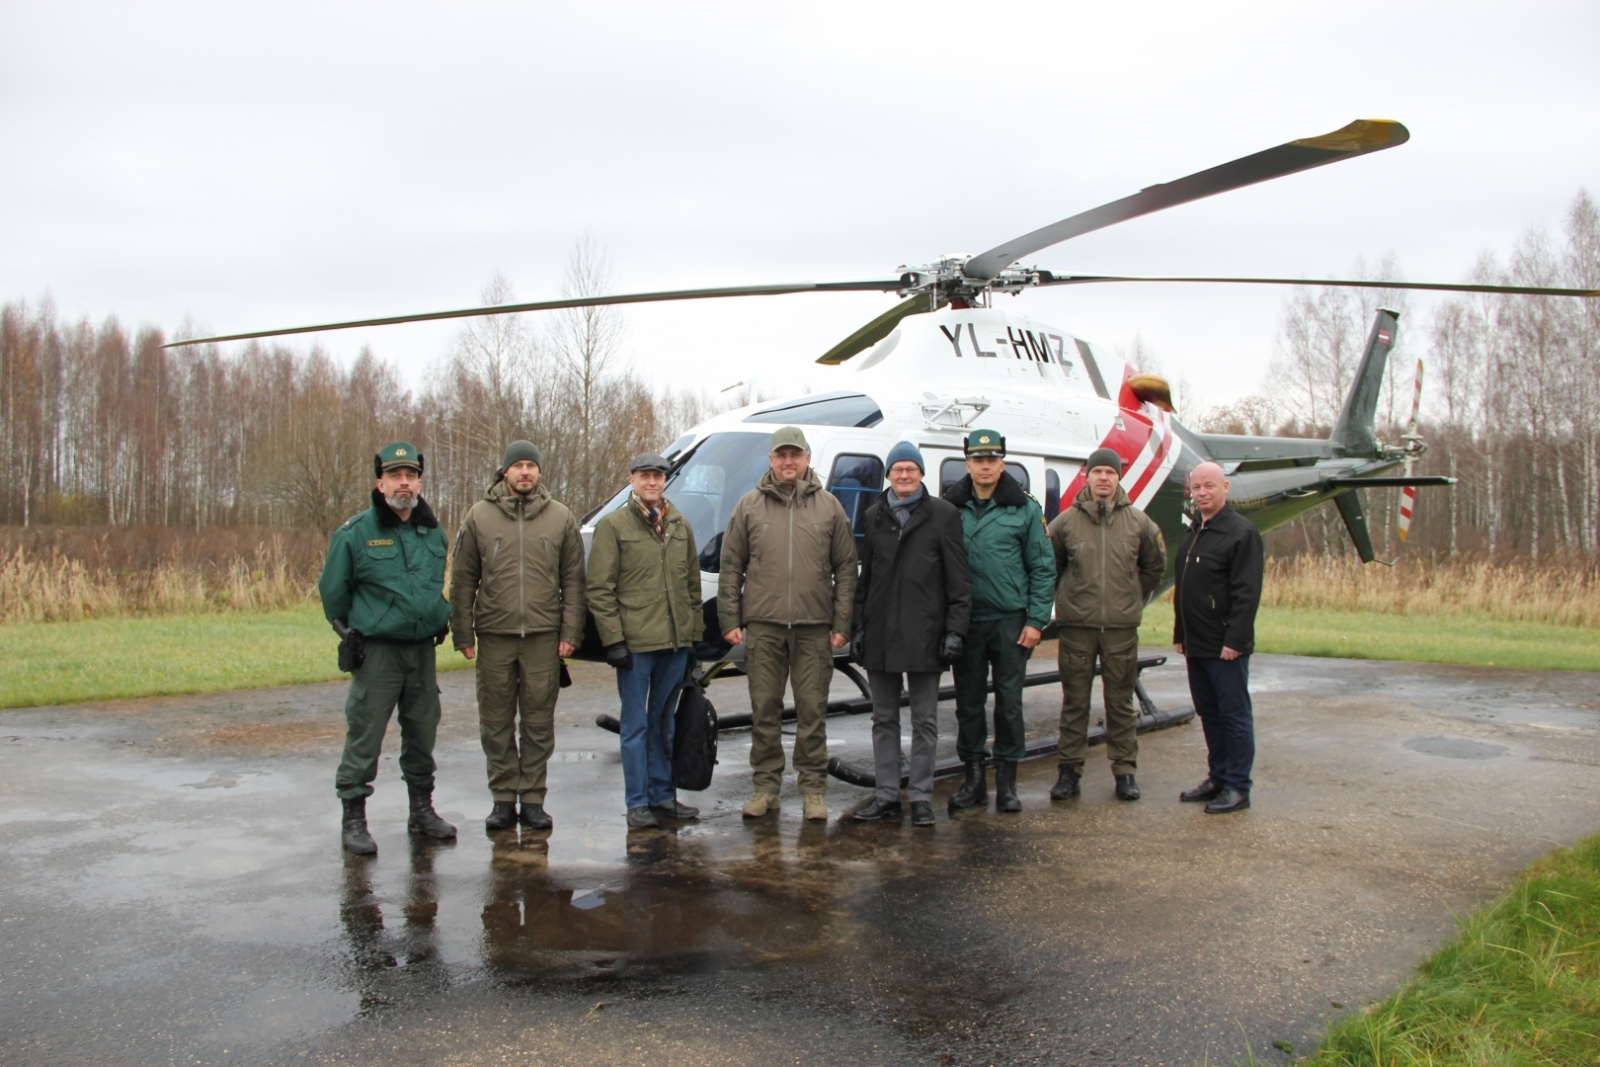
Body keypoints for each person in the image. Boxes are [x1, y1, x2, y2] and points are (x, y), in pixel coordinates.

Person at [319, 441, 456, 855]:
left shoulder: (432, 531)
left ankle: (421, 811)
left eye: (411, 475)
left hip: (421, 652)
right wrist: (351, 632)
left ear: (419, 481)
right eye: (395, 475)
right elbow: (333, 593)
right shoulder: (356, 533)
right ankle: (354, 818)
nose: (404, 482)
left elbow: (434, 583)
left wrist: (437, 614)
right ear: (380, 482)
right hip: (377, 652)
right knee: (366, 732)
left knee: (422, 730)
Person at [718, 426, 857, 822]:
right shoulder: (749, 506)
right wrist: (730, 618)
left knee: (812, 711)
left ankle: (813, 789)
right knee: (764, 709)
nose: (788, 461)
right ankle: (765, 788)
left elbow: (846, 568)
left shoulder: (829, 507)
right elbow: (731, 566)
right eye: (781, 455)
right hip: (764, 626)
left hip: (815, 627)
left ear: (807, 458)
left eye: (795, 454)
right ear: (771, 460)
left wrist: (841, 621)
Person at [449, 440, 586, 832]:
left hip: (544, 636)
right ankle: (504, 797)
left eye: (531, 466)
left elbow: (574, 582)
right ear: (505, 472)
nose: (525, 472)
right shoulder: (479, 516)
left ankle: (534, 798)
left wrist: (570, 631)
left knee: (539, 721)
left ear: (539, 472)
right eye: (518, 466)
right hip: (494, 633)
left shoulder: (560, 518)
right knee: (495, 720)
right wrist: (463, 632)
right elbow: (462, 580)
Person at [850, 442, 971, 828]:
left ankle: (920, 796)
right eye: (897, 469)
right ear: (888, 475)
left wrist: (954, 630)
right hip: (882, 634)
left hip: (925, 635)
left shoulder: (943, 515)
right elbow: (865, 579)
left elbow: (958, 581)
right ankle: (886, 795)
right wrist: (858, 627)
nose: (904, 475)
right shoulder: (874, 516)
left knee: (925, 722)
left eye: (911, 469)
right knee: (883, 719)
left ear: (921, 473)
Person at [586, 451, 704, 829]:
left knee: (664, 722)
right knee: (635, 726)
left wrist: (693, 637)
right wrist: (613, 640)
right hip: (635, 646)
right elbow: (600, 589)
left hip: (673, 644)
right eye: (645, 476)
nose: (652, 482)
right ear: (632, 480)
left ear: (665, 480)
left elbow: (691, 586)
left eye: (658, 476)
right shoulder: (614, 526)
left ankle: (663, 796)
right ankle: (637, 803)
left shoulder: (680, 525)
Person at [1045, 447, 1166, 803]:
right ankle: (1069, 771)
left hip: (1120, 629)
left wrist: (1129, 598)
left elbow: (1153, 568)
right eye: (1097, 472)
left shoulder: (1140, 523)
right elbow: (1050, 567)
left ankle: (1125, 772)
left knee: (1121, 702)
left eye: (1110, 473)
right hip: (1077, 628)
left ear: (1118, 478)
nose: (1103, 478)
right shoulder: (1065, 522)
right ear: (1088, 476)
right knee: (1074, 703)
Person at [944, 429, 1055, 814]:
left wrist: (1037, 620)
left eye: (992, 459)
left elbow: (1042, 568)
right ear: (968, 464)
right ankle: (973, 780)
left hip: (1010, 622)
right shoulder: (950, 508)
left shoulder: (1024, 509)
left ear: (1002, 464)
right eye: (978, 459)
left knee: (1009, 703)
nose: (985, 466)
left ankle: (1007, 782)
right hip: (968, 622)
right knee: (968, 704)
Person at [1172, 461, 1264, 815]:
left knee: (1234, 715)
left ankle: (1239, 786)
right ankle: (1218, 777)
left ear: (1225, 487)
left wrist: (1236, 641)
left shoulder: (1241, 533)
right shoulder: (1194, 530)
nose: (1203, 493)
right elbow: (1186, 589)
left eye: (1209, 486)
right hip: (1196, 643)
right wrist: (1181, 633)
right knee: (1209, 713)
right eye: (1197, 488)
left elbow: (1247, 592)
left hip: (1225, 646)